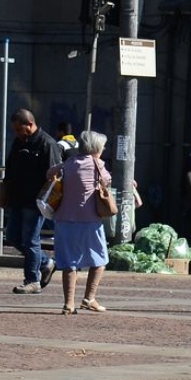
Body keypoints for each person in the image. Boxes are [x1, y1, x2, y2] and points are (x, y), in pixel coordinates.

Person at [48, 130, 112, 314]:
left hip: (64, 220)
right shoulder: (98, 165)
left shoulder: (68, 163)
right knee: (99, 260)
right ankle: (89, 298)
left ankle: (69, 303)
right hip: (89, 220)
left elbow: (50, 173)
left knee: (69, 262)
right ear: (96, 148)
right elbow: (107, 181)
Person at [2, 108, 62, 294]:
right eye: (15, 130)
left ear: (30, 124)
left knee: (30, 240)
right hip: (17, 198)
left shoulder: (47, 144)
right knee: (12, 236)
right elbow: (10, 169)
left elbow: (55, 176)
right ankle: (46, 262)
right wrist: (4, 194)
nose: (18, 133)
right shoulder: (18, 142)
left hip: (35, 202)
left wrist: (48, 201)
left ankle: (32, 280)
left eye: (20, 129)